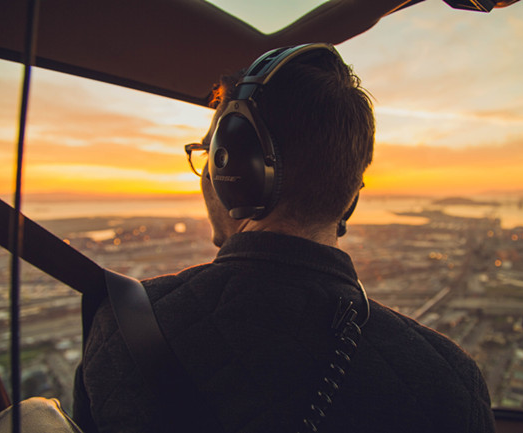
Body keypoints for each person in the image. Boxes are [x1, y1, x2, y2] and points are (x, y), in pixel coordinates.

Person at [73, 44, 495, 433]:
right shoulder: (451, 381)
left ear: (232, 167)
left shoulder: (121, 330)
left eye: (209, 155)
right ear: (351, 196)